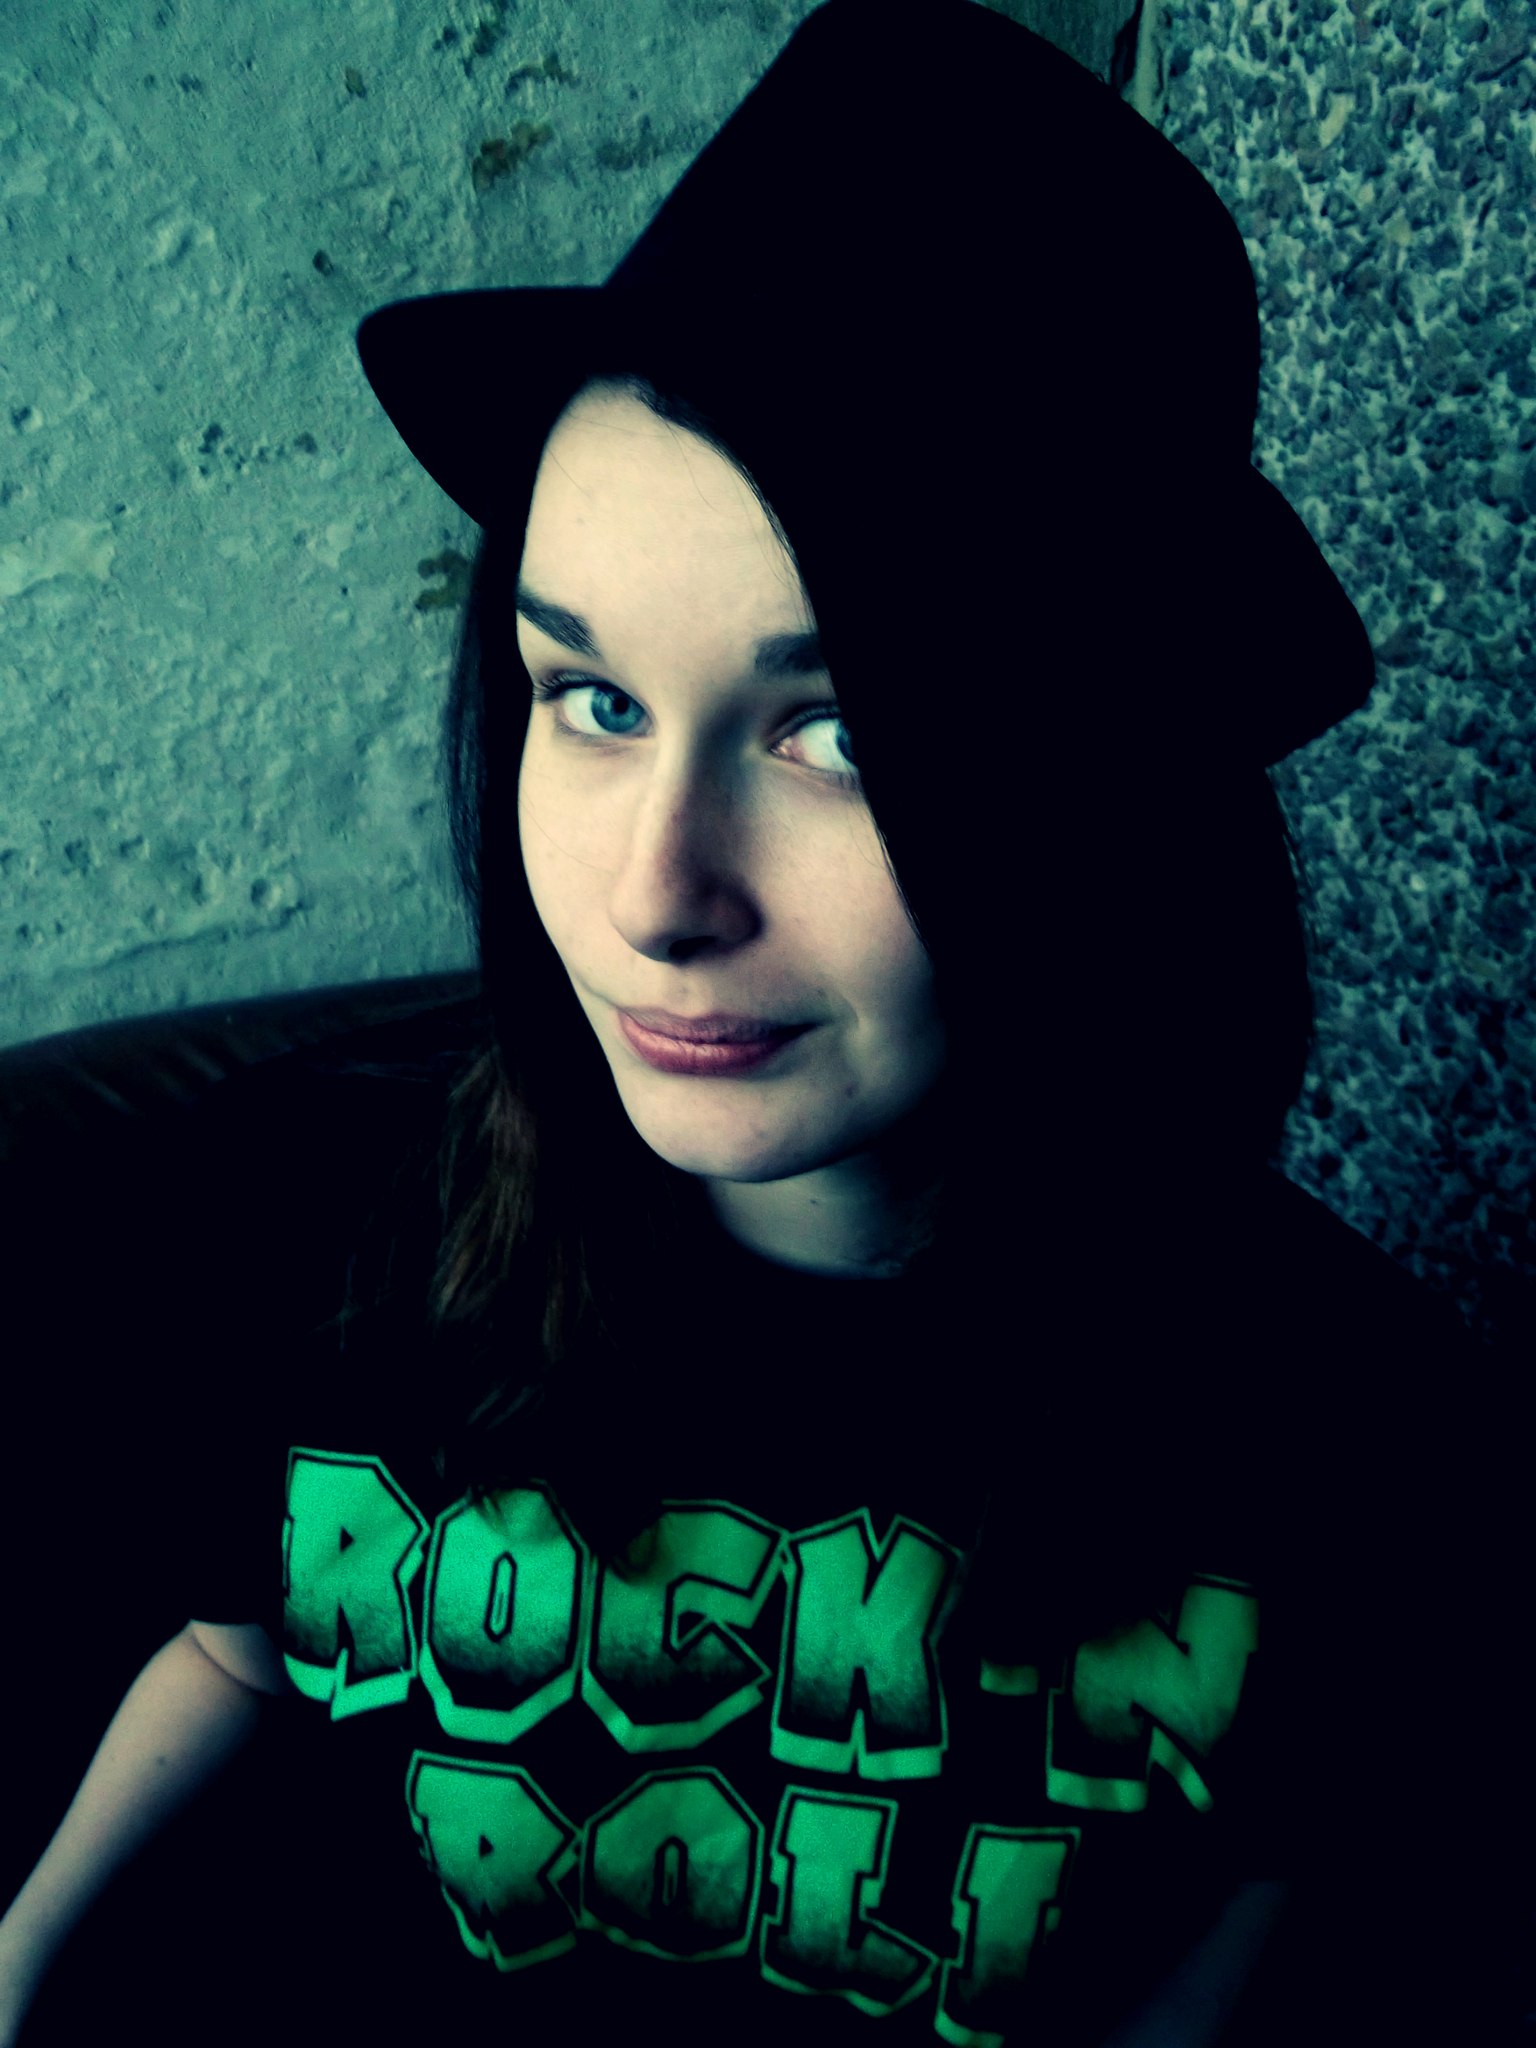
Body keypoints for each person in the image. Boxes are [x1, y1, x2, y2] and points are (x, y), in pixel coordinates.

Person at [0, 3, 1517, 2042]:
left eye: (838, 734)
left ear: (1110, 791)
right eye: (592, 699)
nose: (654, 895)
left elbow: (1274, 1884)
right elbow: (239, 1646)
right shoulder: (295, 1216)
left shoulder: (1356, 1434)